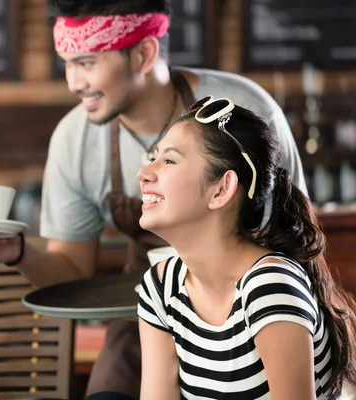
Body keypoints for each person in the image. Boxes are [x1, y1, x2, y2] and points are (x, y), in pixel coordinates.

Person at [0, 0, 308, 398]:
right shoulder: (75, 140)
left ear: (144, 53)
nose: (73, 82)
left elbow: (298, 234)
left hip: (250, 314)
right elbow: (72, 272)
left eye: (86, 63)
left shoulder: (238, 112)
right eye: (67, 64)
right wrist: (16, 251)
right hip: (145, 316)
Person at [137, 96, 356, 399]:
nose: (144, 174)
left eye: (170, 160)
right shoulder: (160, 288)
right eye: (153, 157)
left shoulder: (270, 287)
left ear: (222, 189)